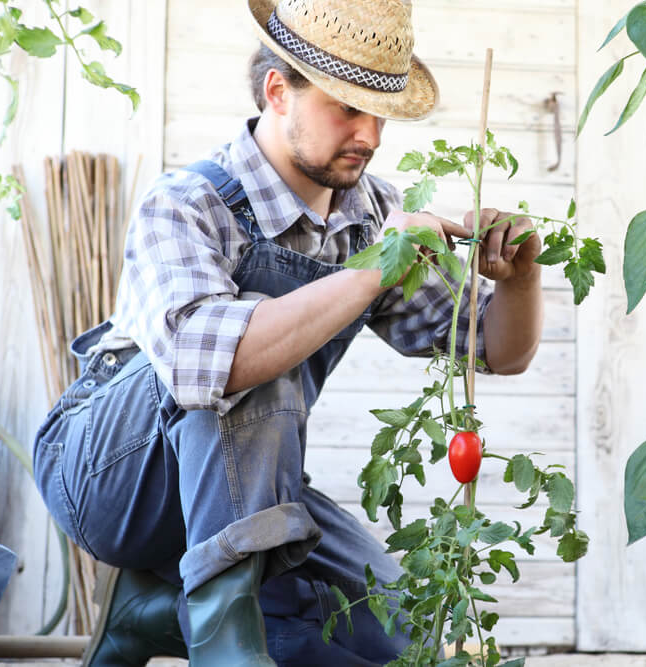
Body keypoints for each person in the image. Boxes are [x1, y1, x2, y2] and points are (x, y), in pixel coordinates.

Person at [30, 0, 544, 664]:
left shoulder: (369, 215)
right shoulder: (188, 201)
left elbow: (497, 349)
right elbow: (202, 364)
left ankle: (152, 615)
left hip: (244, 487)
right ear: (278, 91)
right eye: (348, 108)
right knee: (252, 332)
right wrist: (371, 274)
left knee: (400, 635)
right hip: (111, 479)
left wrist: (519, 278)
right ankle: (223, 642)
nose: (371, 135)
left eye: (379, 112)